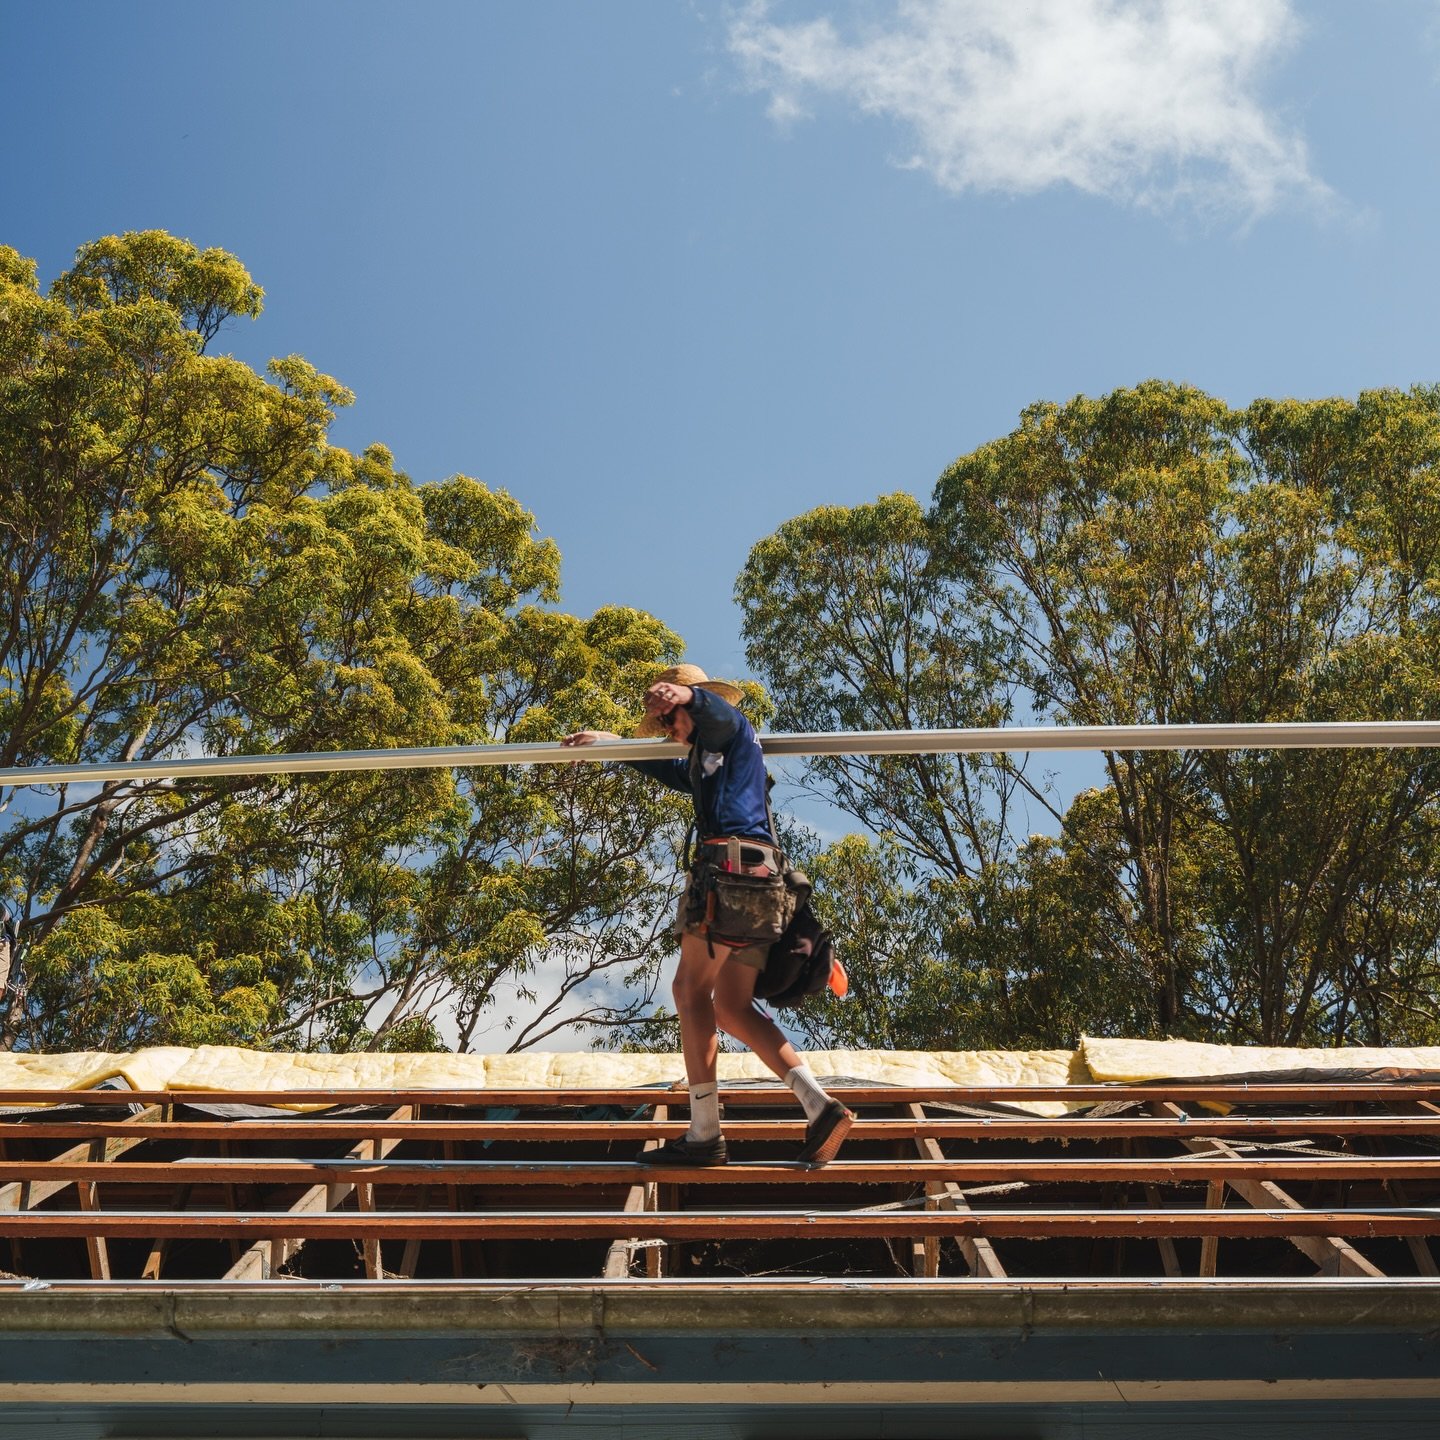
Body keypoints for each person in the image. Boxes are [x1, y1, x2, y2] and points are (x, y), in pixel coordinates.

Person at [562, 664, 854, 1167]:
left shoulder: (732, 734)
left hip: (731, 880)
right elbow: (659, 766)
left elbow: (721, 718)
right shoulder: (705, 763)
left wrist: (688, 697)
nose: (669, 732)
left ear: (688, 708)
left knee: (689, 991)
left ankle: (704, 1133)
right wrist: (609, 742)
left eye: (671, 721)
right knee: (731, 1007)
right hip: (762, 892)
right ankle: (818, 1105)